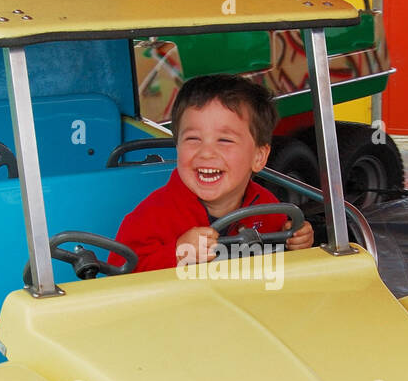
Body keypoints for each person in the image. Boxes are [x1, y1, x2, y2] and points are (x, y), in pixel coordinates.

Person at [111, 74, 313, 272]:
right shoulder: (150, 218)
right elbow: (118, 276)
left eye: (224, 140)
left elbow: (281, 269)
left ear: (258, 157)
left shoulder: (269, 209)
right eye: (193, 139)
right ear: (178, 146)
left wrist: (296, 242)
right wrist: (177, 254)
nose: (206, 153)